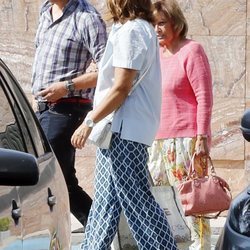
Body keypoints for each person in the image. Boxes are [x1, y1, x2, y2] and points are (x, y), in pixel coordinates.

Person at [71, 0, 178, 249]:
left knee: (137, 201)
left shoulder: (133, 31)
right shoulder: (130, 28)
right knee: (105, 205)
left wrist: (89, 121)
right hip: (119, 130)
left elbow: (121, 88)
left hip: (123, 130)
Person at [31, 0, 107, 228]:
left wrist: (67, 86)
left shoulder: (87, 17)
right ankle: (100, 230)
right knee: (58, 181)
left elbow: (109, 69)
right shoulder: (45, 10)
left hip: (68, 108)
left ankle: (101, 230)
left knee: (55, 180)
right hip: (44, 109)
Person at [148, 0, 213, 249]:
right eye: (153, 24)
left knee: (194, 200)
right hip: (156, 139)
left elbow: (204, 97)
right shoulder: (155, 56)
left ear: (175, 22)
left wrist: (202, 138)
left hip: (186, 138)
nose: (157, 29)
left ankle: (201, 246)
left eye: (162, 23)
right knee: (162, 200)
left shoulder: (192, 50)